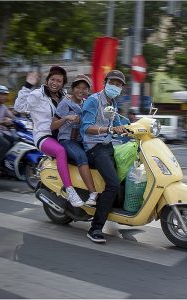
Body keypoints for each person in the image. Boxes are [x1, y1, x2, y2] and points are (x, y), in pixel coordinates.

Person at [14, 66, 83, 207]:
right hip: (44, 136)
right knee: (60, 151)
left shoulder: (64, 96)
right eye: (52, 79)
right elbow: (19, 107)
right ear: (47, 80)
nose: (55, 83)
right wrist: (27, 85)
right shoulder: (37, 94)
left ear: (62, 84)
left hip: (62, 135)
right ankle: (70, 190)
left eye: (59, 80)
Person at [81, 70, 129, 243]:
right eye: (113, 83)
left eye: (119, 85)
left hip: (108, 145)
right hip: (94, 147)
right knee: (113, 184)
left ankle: (113, 211)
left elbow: (116, 122)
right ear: (105, 82)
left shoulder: (113, 102)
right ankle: (95, 228)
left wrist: (131, 128)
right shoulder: (93, 101)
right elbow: (86, 127)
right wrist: (108, 130)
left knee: (124, 176)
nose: (115, 87)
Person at [51, 74, 99, 206]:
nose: (81, 90)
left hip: (82, 140)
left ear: (88, 91)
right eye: (78, 87)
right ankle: (92, 193)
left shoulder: (87, 103)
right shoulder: (65, 103)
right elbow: (53, 125)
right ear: (73, 89)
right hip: (67, 140)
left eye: (84, 88)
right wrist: (66, 118)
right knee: (81, 156)